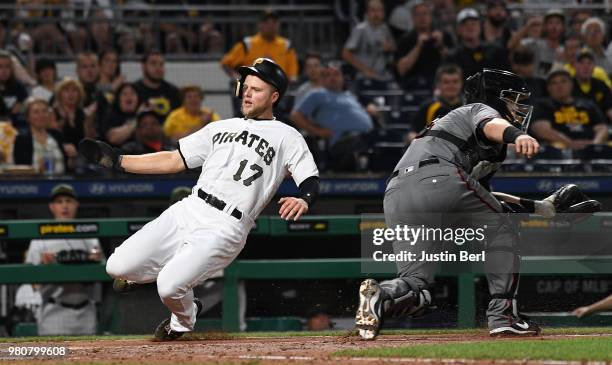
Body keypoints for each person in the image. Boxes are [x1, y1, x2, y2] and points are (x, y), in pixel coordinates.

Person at [78, 58, 319, 341]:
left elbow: (309, 178)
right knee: (116, 267)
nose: (248, 93)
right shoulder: (220, 127)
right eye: (247, 87)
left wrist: (304, 199)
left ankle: (184, 317)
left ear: (274, 96)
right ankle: (149, 277)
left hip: (226, 225)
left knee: (169, 286)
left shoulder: (287, 136)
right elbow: (172, 159)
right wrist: (119, 160)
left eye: (257, 89)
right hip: (190, 208)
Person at [355, 69, 545, 340]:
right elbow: (490, 125)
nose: (518, 106)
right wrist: (517, 136)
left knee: (417, 288)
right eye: (513, 99)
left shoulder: (448, 124)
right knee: (504, 228)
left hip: (396, 192)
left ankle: (381, 294)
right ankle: (504, 316)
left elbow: (483, 196)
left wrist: (538, 207)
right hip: (440, 177)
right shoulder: (479, 109)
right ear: (494, 97)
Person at [24, 184, 104, 335]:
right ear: (52, 206)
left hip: (86, 312)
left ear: (76, 204)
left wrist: (95, 261)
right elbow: (31, 285)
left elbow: (104, 276)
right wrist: (44, 268)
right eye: (59, 202)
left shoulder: (90, 236)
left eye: (68, 201)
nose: (64, 206)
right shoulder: (39, 239)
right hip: (54, 312)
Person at [290, 62, 374, 171]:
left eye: (336, 74)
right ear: (323, 80)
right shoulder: (317, 95)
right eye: (328, 75)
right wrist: (318, 131)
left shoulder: (349, 95)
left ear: (343, 78)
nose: (332, 78)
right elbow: (295, 116)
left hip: (365, 137)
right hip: (340, 142)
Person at [220, 9, 299, 117]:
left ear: (278, 25)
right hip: (250, 93)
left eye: (274, 22)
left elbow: (292, 75)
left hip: (277, 95)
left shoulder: (286, 45)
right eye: (266, 22)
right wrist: (236, 77)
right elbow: (226, 63)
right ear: (259, 25)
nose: (271, 26)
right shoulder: (248, 44)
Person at [530, 68, 608, 150]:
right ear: (548, 88)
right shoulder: (543, 105)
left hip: (591, 150)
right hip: (559, 151)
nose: (559, 86)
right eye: (554, 83)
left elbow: (602, 128)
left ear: (571, 84)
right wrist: (569, 143)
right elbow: (540, 129)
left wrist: (594, 145)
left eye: (563, 81)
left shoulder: (588, 105)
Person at [394, 1, 453, 91]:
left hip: (439, 86)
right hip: (412, 86)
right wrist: (418, 47)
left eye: (425, 13)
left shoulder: (444, 36)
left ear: (431, 16)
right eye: (418, 14)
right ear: (412, 18)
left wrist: (441, 46)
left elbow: (454, 65)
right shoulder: (405, 39)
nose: (422, 17)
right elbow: (401, 70)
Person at [445, 8, 509, 80]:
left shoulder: (495, 51)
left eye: (473, 23)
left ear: (480, 27)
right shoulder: (452, 57)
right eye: (465, 24)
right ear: (459, 30)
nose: (470, 27)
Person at [341, 0, 396, 83]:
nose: (376, 14)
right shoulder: (360, 29)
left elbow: (393, 50)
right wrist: (365, 70)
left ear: (383, 13)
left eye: (379, 10)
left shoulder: (385, 29)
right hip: (364, 77)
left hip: (383, 76)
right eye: (373, 10)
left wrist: (390, 48)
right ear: (367, 12)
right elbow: (345, 53)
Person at [13, 97, 67, 175]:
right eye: (36, 112)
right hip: (33, 184)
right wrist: (38, 169)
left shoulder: (57, 135)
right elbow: (20, 169)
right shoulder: (21, 139)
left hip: (62, 182)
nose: (41, 115)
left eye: (44, 111)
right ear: (28, 117)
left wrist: (71, 158)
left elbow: (67, 165)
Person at [411, 64, 464, 139]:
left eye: (455, 81)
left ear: (461, 83)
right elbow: (412, 134)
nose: (451, 85)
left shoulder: (469, 106)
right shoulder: (427, 107)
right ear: (438, 84)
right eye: (446, 82)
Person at [134, 51, 181, 122]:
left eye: (161, 64)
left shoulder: (174, 92)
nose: (158, 68)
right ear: (143, 66)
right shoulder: (133, 91)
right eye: (153, 63)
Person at [572, 50, 612, 123]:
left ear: (594, 67)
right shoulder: (568, 85)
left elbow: (609, 109)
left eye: (589, 63)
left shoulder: (601, 85)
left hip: (602, 126)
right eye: (581, 63)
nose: (586, 67)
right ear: (575, 66)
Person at [0, 50, 28, 123]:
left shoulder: (19, 87)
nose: (4, 70)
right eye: (0, 67)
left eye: (7, 67)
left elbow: (25, 106)